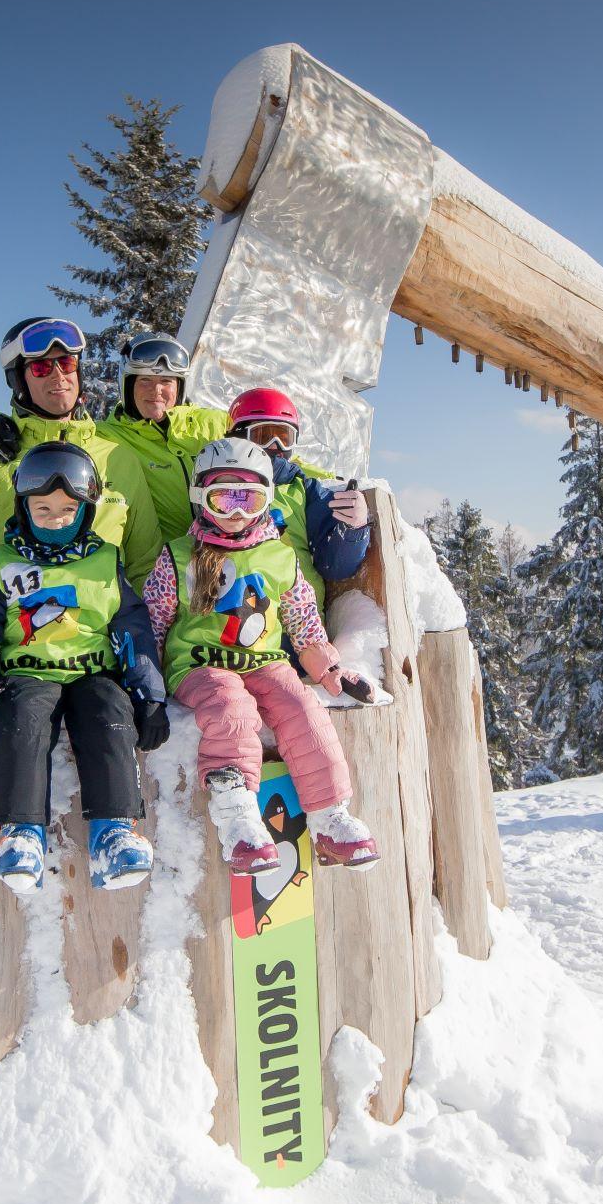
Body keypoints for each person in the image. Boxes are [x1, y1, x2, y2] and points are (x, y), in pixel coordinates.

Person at [146, 439, 382, 872]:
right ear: (201, 498)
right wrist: (146, 687)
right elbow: (154, 623)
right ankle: (238, 819)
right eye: (224, 498)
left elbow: (303, 621)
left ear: (265, 502)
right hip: (200, 665)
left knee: (302, 707)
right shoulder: (179, 558)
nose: (236, 513)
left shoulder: (278, 556)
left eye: (248, 500)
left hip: (263, 662)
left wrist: (331, 673)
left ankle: (330, 818)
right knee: (230, 707)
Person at [0, 441, 169, 895]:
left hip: (92, 672)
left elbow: (133, 631)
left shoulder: (105, 562)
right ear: (23, 507)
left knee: (109, 711)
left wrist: (150, 696)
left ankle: (114, 831)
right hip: (28, 673)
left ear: (86, 511)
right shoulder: (1, 563)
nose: (55, 520)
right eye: (43, 509)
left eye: (67, 510)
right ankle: (20, 832)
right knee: (22, 717)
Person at [0, 317, 161, 596]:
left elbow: (145, 564)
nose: (59, 377)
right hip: (18, 634)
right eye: (42, 367)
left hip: (103, 634)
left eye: (67, 364)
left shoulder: (119, 459)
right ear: (18, 381)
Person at [225, 386, 372, 606]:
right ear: (238, 435)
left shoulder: (304, 489)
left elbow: (335, 567)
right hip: (237, 618)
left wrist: (352, 530)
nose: (275, 447)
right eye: (263, 435)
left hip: (301, 624)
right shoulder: (219, 485)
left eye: (285, 437)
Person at [94, 332, 229, 544]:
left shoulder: (215, 424)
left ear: (179, 386)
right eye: (145, 380)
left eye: (166, 381)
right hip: (161, 569)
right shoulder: (106, 437)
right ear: (128, 386)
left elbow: (272, 451)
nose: (156, 390)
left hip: (224, 561)